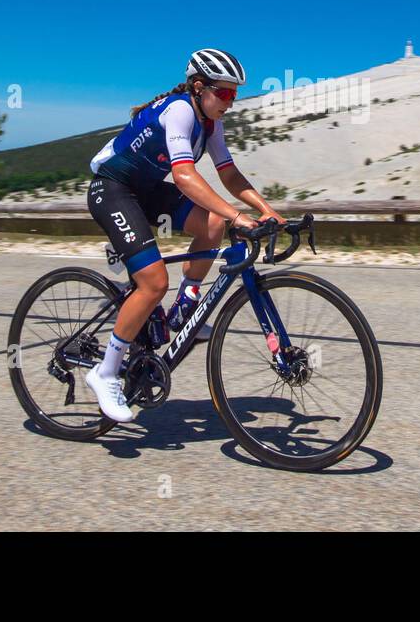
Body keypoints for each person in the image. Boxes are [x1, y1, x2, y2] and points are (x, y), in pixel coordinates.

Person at [83, 48, 286, 422]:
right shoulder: (179, 110)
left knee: (212, 225)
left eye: (234, 94)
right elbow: (184, 177)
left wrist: (267, 210)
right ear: (198, 87)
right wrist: (238, 216)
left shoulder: (211, 123)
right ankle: (105, 372)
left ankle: (184, 309)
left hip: (144, 192)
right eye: (224, 93)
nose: (231, 101)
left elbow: (229, 174)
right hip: (112, 190)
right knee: (153, 282)